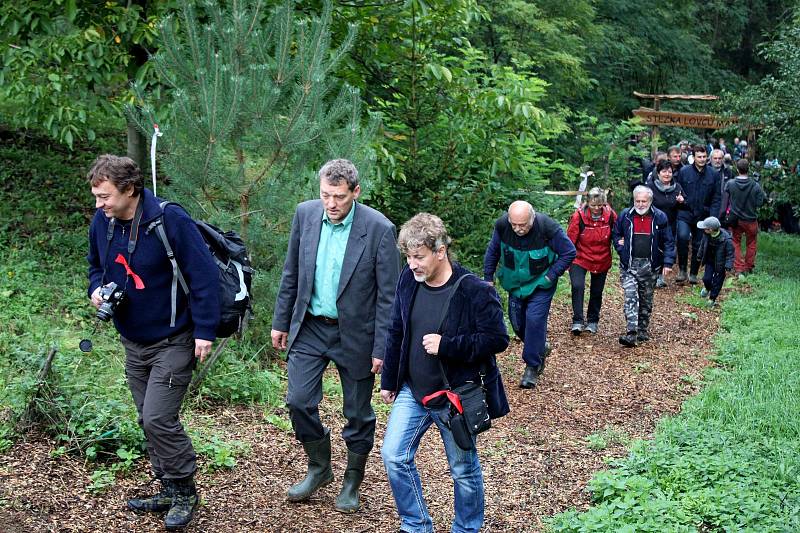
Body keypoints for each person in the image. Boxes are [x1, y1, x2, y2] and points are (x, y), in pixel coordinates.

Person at [86, 155, 221, 530]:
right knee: (147, 419)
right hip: (133, 340)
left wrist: (205, 331)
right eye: (96, 197)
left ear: (129, 189)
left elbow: (204, 276)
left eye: (105, 196)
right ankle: (167, 486)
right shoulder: (104, 222)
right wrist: (96, 290)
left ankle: (185, 491)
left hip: (174, 338)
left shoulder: (168, 219)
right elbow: (95, 265)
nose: (99, 205)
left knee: (158, 417)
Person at [271, 159, 399, 512]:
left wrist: (382, 347)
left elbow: (389, 296)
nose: (331, 203)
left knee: (357, 412)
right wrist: (281, 321)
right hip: (311, 326)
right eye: (326, 195)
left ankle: (352, 480)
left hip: (356, 333)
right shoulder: (306, 215)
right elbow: (291, 273)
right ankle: (319, 466)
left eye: (339, 197)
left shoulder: (378, 229)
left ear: (355, 192)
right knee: (298, 400)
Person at [380, 213, 509, 533]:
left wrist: (448, 345)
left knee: (463, 470)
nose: (412, 264)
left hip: (453, 395)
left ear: (440, 251)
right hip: (413, 390)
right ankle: (416, 524)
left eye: (419, 257)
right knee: (394, 455)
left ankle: (466, 528)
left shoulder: (474, 290)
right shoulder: (409, 280)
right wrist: (390, 379)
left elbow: (497, 339)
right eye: (408, 257)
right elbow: (397, 328)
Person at [483, 201, 576, 389]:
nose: (518, 229)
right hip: (515, 285)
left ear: (532, 218)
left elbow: (569, 252)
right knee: (517, 323)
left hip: (541, 284)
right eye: (514, 224)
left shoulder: (548, 228)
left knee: (534, 320)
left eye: (523, 225)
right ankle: (540, 346)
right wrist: (488, 278)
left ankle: (532, 366)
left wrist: (551, 276)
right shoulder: (502, 226)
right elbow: (493, 251)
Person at [613, 186, 675, 347]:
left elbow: (668, 241)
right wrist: (622, 248)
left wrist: (667, 262)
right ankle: (631, 332)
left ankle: (642, 329)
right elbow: (616, 234)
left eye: (643, 201)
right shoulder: (625, 216)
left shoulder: (660, 217)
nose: (640, 204)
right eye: (637, 201)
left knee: (646, 299)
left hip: (650, 265)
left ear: (650, 201)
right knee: (630, 296)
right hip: (629, 265)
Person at [566, 188, 617, 334]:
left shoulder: (610, 216)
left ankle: (593, 320)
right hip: (580, 257)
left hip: (602, 258)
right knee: (577, 286)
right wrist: (566, 260)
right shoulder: (579, 217)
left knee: (596, 291)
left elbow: (617, 233)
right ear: (588, 203)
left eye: (600, 205)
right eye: (593, 205)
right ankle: (577, 320)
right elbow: (570, 240)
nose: (596, 208)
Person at [675, 144, 721, 284]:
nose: (701, 159)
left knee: (699, 243)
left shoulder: (713, 174)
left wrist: (712, 218)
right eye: (699, 157)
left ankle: (694, 272)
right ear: (693, 157)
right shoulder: (684, 172)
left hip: (704, 215)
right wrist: (679, 199)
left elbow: (716, 198)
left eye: (704, 157)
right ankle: (682, 269)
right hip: (685, 212)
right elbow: (678, 188)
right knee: (682, 237)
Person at [645, 159, 685, 287]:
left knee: (666, 249)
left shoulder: (677, 187)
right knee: (653, 248)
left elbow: (685, 206)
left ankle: (660, 276)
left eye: (669, 171)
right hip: (653, 224)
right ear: (658, 173)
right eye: (664, 171)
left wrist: (682, 201)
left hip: (671, 224)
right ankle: (652, 274)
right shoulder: (650, 187)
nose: (667, 174)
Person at [725, 158, 766, 275]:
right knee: (751, 243)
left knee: (735, 242)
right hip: (751, 219)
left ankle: (738, 268)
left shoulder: (730, 184)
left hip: (735, 219)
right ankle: (748, 267)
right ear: (748, 169)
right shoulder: (755, 185)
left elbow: (726, 199)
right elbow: (759, 203)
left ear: (737, 169)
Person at [695, 216, 734, 306]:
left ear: (711, 229)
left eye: (705, 228)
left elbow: (730, 254)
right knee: (706, 278)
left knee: (717, 282)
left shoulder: (727, 239)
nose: (703, 229)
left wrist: (728, 265)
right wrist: (699, 255)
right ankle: (707, 288)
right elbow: (702, 246)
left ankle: (712, 298)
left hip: (720, 264)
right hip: (710, 261)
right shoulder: (706, 235)